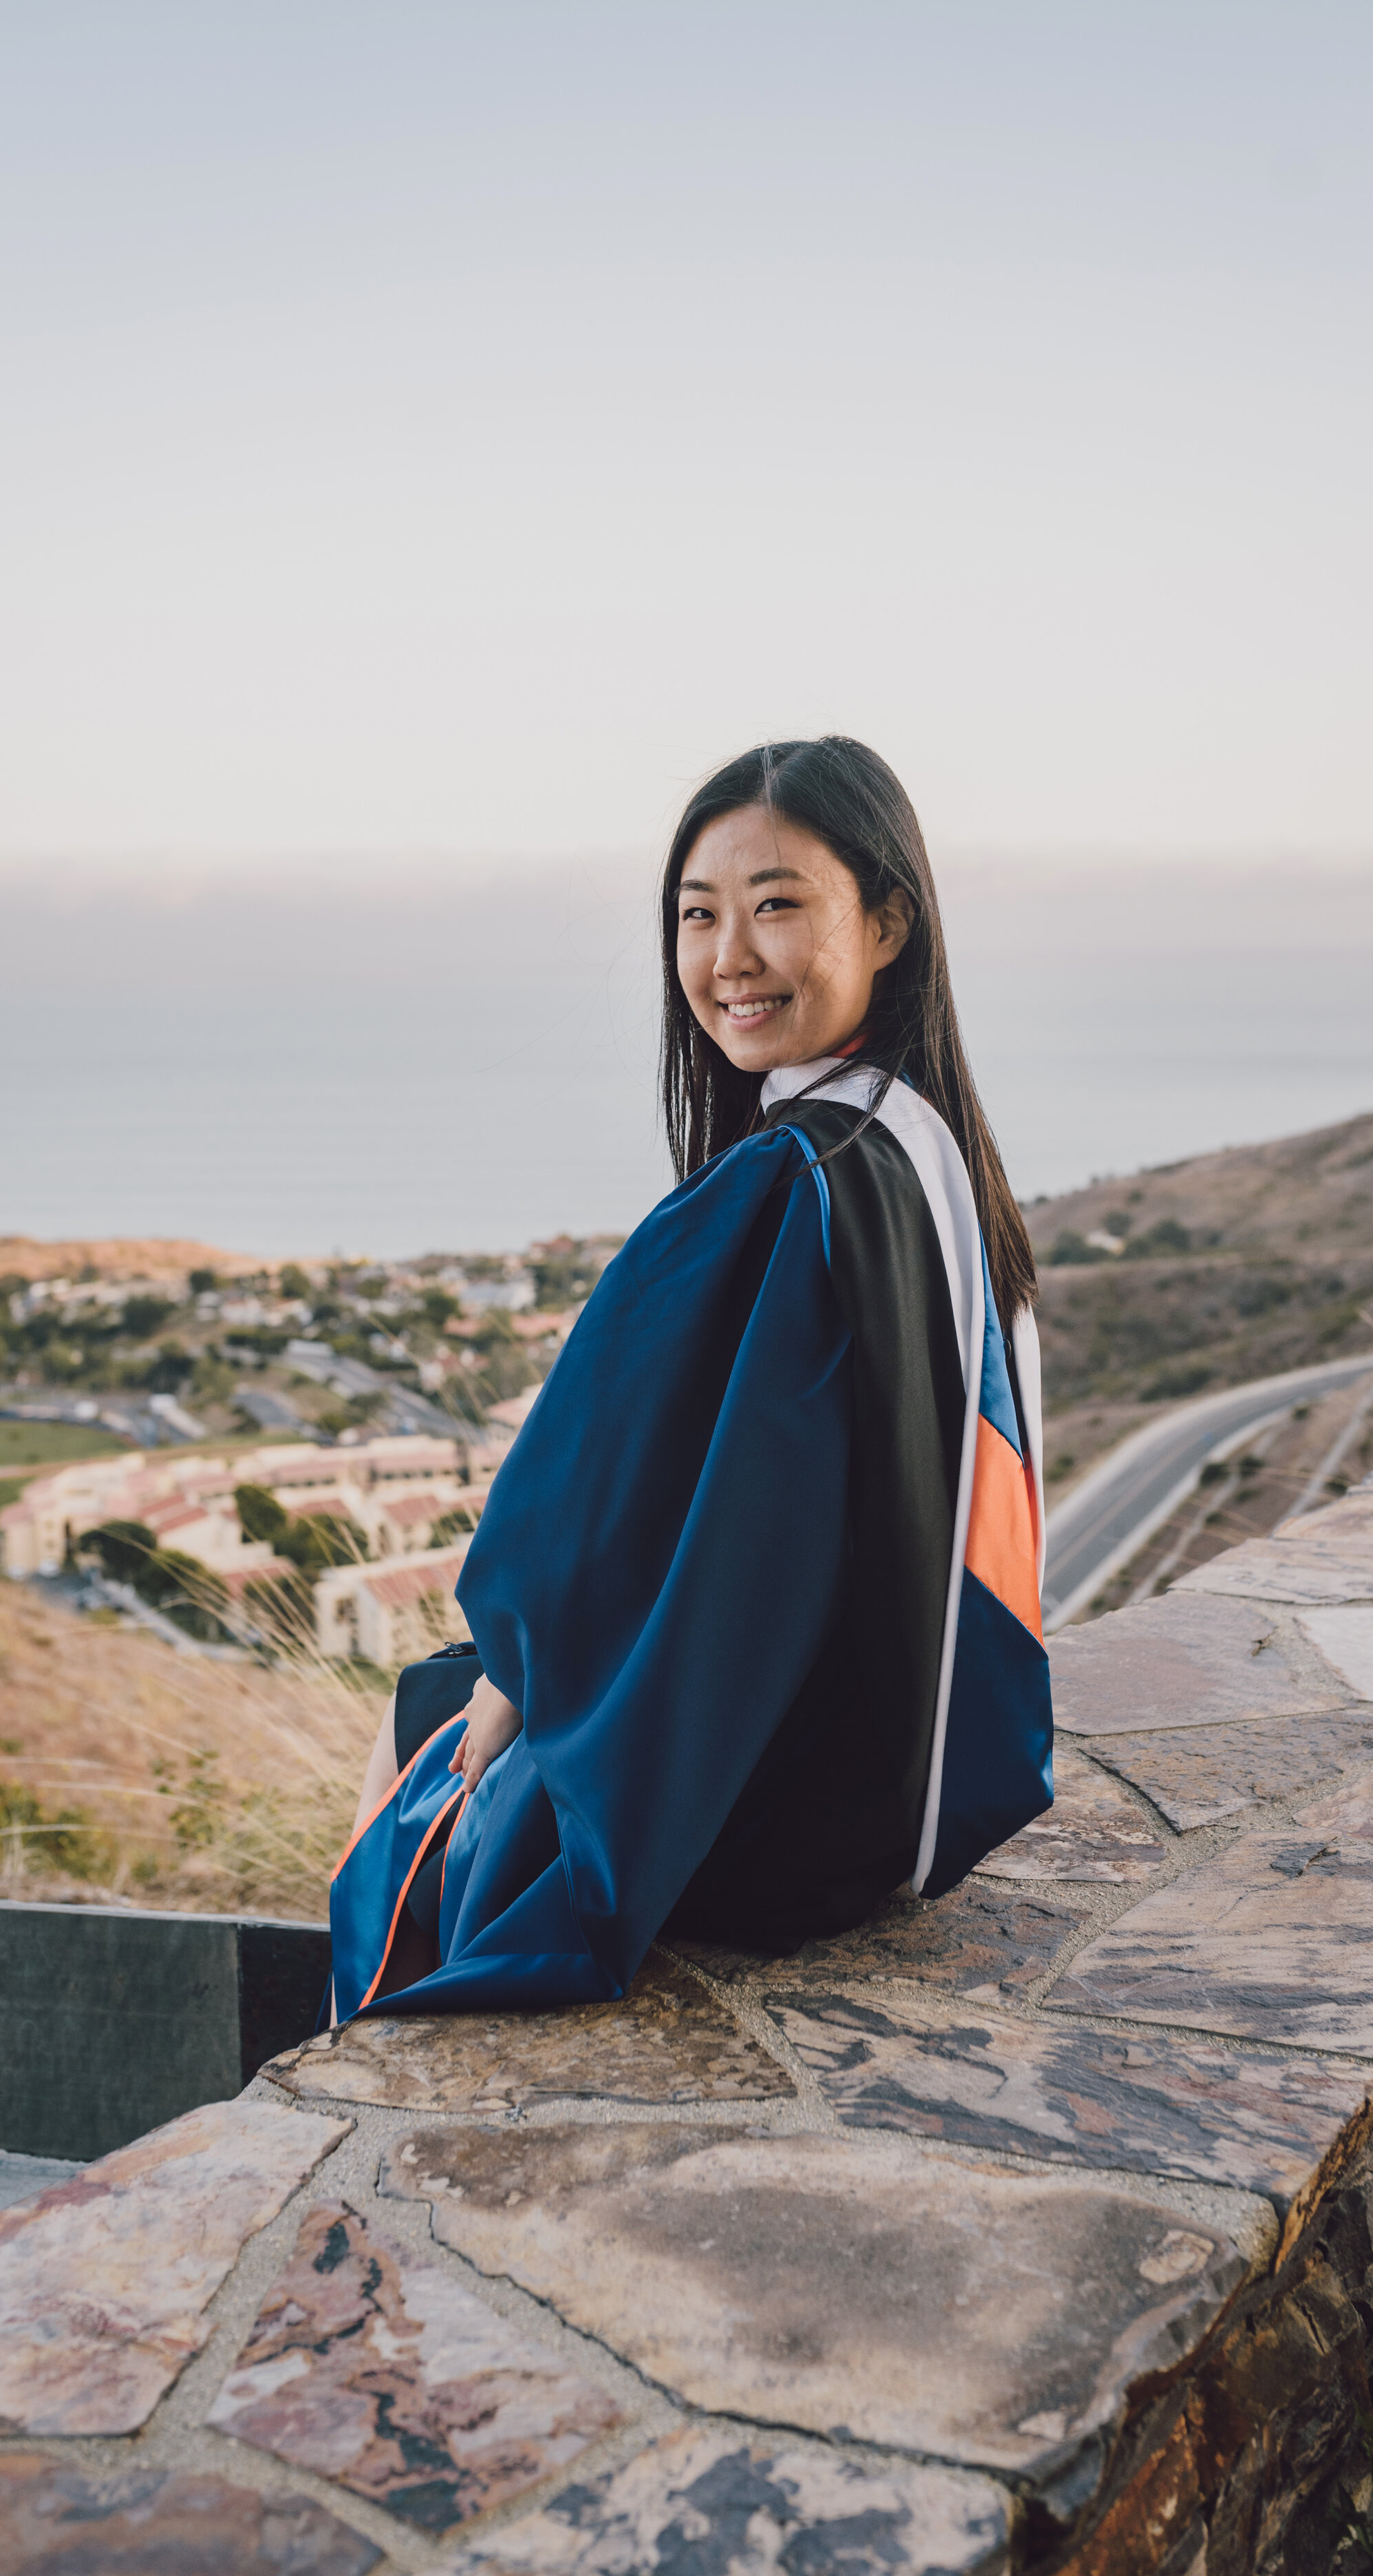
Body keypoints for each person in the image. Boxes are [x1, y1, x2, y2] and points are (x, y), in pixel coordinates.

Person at [327, 737, 1053, 2021]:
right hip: (910, 1789)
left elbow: (566, 1541)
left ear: (888, 921)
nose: (729, 958)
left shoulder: (783, 1187)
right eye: (697, 915)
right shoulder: (928, 1158)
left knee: (425, 1727)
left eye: (777, 904)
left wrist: (508, 1696)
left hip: (776, 1829)